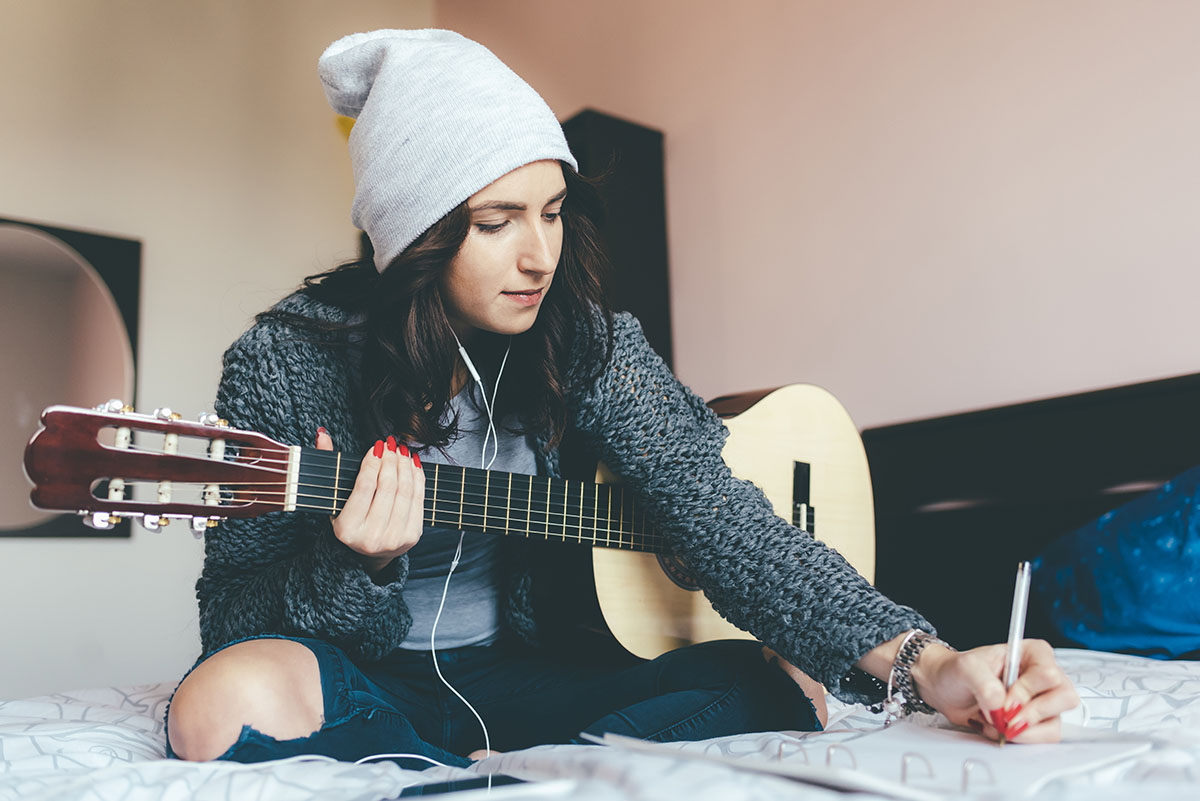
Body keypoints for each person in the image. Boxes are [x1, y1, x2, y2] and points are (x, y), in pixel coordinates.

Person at [165, 29, 1078, 768]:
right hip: (370, 673)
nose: (540, 255)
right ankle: (487, 758)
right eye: (496, 223)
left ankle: (451, 761)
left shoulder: (586, 340)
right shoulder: (287, 360)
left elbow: (720, 520)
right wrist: (349, 562)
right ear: (413, 237)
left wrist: (932, 662)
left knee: (787, 684)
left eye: (553, 211)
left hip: (533, 671)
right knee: (217, 703)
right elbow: (230, 617)